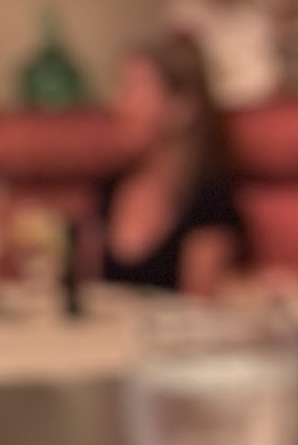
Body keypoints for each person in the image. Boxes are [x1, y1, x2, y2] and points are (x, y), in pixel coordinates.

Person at [98, 30, 246, 298]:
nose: (119, 104)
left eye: (135, 89)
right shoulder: (108, 188)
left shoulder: (209, 202)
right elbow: (84, 298)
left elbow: (200, 309)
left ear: (183, 108)